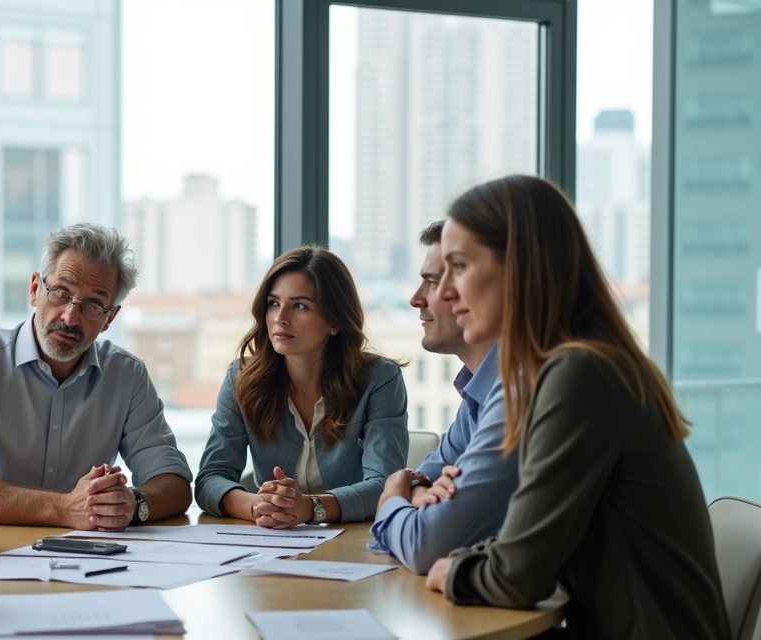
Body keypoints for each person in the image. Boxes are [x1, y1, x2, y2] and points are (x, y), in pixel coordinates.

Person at [423, 175, 729, 639]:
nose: (443, 291)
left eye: (459, 266)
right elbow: (522, 542)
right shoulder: (579, 364)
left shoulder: (579, 375)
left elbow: (516, 575)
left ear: (519, 267)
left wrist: (454, 571)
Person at [0, 223, 192, 530]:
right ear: (35, 289)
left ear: (109, 319)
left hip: (82, 558)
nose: (70, 317)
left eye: (93, 305)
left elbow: (174, 482)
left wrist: (133, 504)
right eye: (61, 293)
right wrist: (64, 508)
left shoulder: (127, 375)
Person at [195, 246, 408, 526]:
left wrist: (310, 508)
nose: (280, 318)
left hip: (354, 542)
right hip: (271, 540)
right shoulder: (241, 377)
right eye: (273, 303)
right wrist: (260, 507)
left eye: (299, 306)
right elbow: (210, 478)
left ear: (334, 320)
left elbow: (384, 486)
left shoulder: (380, 380)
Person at [367, 221, 516, 573]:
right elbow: (420, 480)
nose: (416, 298)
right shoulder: (478, 394)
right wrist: (414, 494)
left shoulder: (514, 392)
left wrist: (392, 500)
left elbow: (425, 546)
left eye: (433, 282)